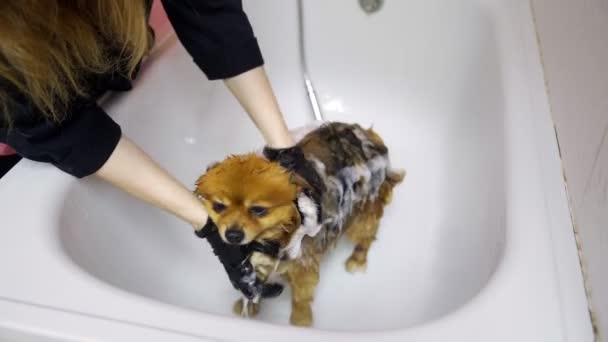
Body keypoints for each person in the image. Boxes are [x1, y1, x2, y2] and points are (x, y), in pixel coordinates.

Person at [0, 0, 300, 231]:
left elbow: (207, 8)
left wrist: (283, 147)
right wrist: (207, 223)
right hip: (21, 128)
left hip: (96, 65)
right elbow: (51, 127)